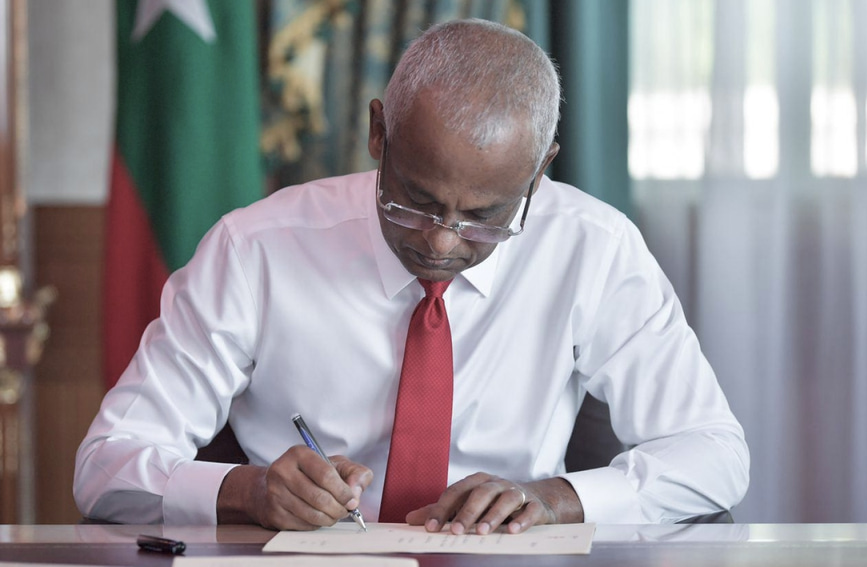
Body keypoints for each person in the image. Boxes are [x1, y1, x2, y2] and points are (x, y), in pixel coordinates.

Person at [75, 18, 749, 533]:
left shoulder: (594, 248)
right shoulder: (255, 249)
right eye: (415, 200)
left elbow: (715, 454)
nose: (441, 240)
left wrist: (556, 498)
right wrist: (246, 491)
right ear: (379, 133)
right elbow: (105, 464)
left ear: (539, 170)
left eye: (484, 217)